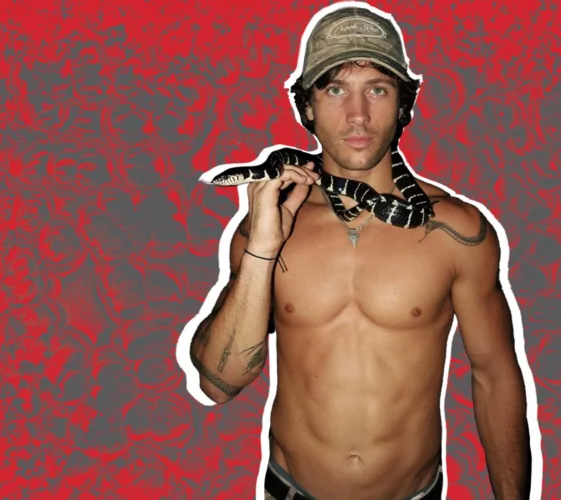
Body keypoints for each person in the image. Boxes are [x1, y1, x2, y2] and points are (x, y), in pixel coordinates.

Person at [186, 3, 534, 499]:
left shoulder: (455, 231)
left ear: (403, 104)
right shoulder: (269, 224)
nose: (357, 115)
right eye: (335, 89)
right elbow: (218, 384)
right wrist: (263, 249)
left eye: (377, 89)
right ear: (307, 106)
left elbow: (495, 376)